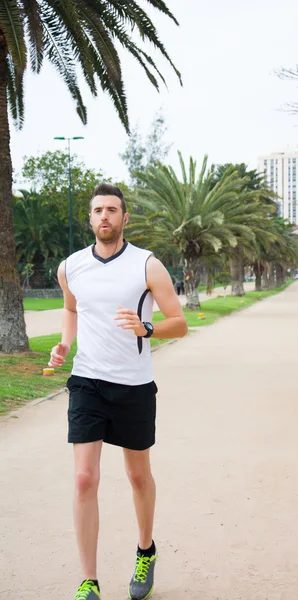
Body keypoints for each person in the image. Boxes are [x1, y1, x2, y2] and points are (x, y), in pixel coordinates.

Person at [48, 183, 188, 600]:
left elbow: (179, 323)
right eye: (98, 210)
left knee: (137, 475)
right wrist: (64, 344)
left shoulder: (147, 265)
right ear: (89, 219)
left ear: (125, 218)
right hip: (87, 382)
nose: (105, 216)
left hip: (134, 385)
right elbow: (72, 309)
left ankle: (146, 550)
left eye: (112, 209)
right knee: (84, 478)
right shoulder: (70, 267)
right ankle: (88, 582)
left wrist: (146, 327)